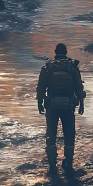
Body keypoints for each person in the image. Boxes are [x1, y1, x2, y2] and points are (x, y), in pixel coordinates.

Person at [36, 43, 85, 172]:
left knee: (51, 133)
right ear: (66, 52)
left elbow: (41, 87)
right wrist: (82, 103)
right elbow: (79, 87)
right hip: (68, 106)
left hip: (51, 106)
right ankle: (68, 161)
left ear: (55, 51)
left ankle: (52, 163)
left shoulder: (48, 67)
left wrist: (39, 103)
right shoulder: (72, 67)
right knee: (69, 133)